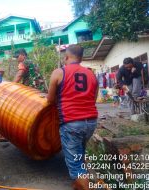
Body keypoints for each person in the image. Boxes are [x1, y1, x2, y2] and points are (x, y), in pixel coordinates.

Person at [47, 44, 98, 190]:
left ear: (66, 57)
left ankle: (83, 185)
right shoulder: (91, 74)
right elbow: (92, 100)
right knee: (79, 155)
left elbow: (50, 100)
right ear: (81, 58)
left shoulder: (59, 72)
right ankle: (81, 184)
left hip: (71, 123)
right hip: (91, 122)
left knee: (76, 167)